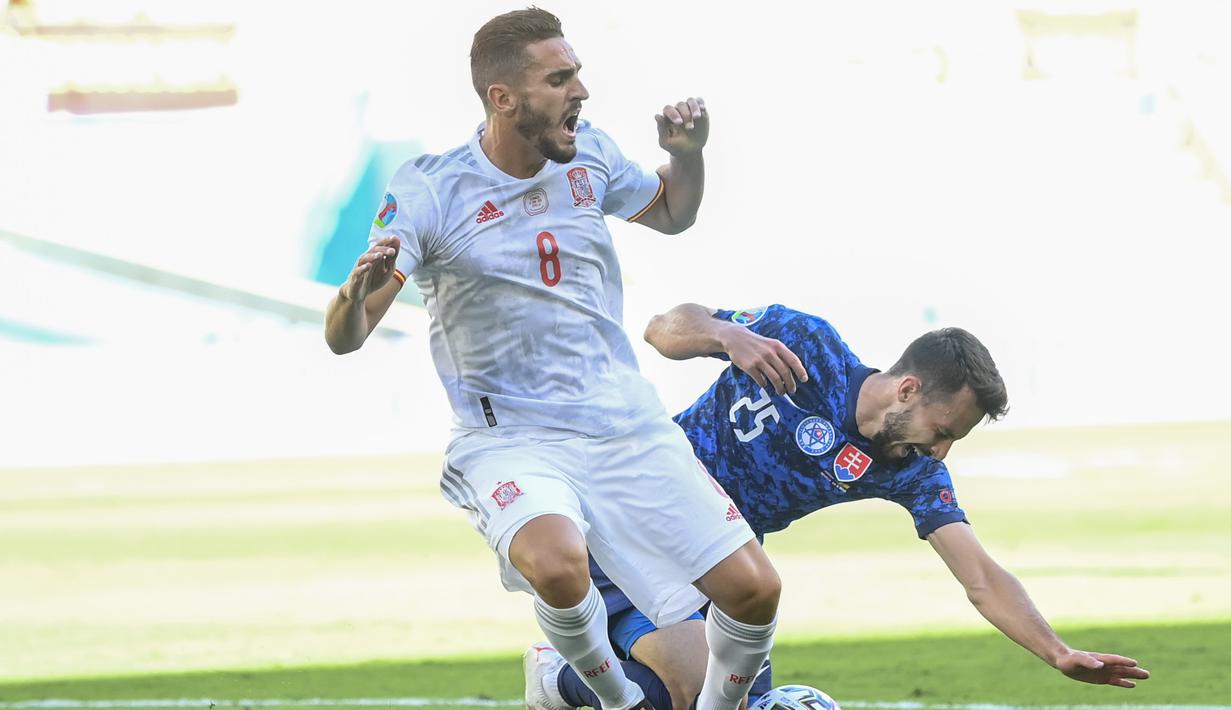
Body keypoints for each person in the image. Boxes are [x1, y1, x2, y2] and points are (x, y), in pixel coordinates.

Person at [324, 10, 781, 710]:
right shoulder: (430, 189)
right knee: (556, 563)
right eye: (560, 78)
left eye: (578, 73)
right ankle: (610, 702)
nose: (582, 92)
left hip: (626, 426)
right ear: (503, 98)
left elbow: (670, 213)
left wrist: (687, 155)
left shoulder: (591, 154)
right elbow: (346, 335)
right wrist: (354, 294)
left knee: (755, 591)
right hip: (512, 438)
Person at [526, 303, 1151, 710]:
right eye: (943, 428)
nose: (942, 449)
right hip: (632, 515)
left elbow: (981, 576)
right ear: (908, 388)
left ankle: (573, 678)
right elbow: (663, 327)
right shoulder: (806, 344)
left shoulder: (911, 470)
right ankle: (558, 679)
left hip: (724, 568)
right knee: (690, 692)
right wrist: (725, 335)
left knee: (736, 702)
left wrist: (1057, 651)